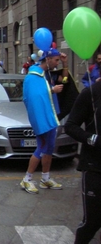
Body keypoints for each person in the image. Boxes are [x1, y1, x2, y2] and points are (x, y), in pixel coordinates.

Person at [20, 48, 68, 194]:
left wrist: (65, 64)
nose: (57, 62)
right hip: (42, 117)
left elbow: (64, 80)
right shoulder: (33, 76)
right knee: (42, 147)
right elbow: (33, 96)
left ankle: (45, 178)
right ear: (48, 59)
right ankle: (26, 179)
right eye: (56, 60)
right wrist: (52, 91)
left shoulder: (47, 73)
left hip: (50, 114)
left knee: (49, 147)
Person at [65, 82, 101, 244]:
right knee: (92, 222)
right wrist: (92, 139)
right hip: (95, 166)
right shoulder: (91, 93)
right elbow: (71, 126)